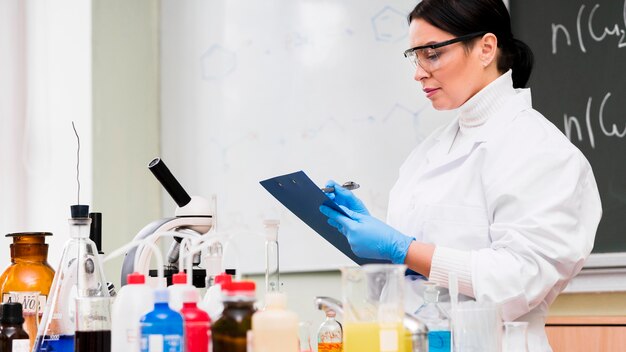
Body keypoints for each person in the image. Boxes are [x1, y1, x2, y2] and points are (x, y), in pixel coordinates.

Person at [319, 1, 602, 351]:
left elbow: (518, 280)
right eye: (415, 57)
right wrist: (382, 252)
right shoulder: (427, 154)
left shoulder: (542, 151)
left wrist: (404, 250)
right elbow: (408, 286)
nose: (419, 73)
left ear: (486, 48)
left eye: (432, 54)